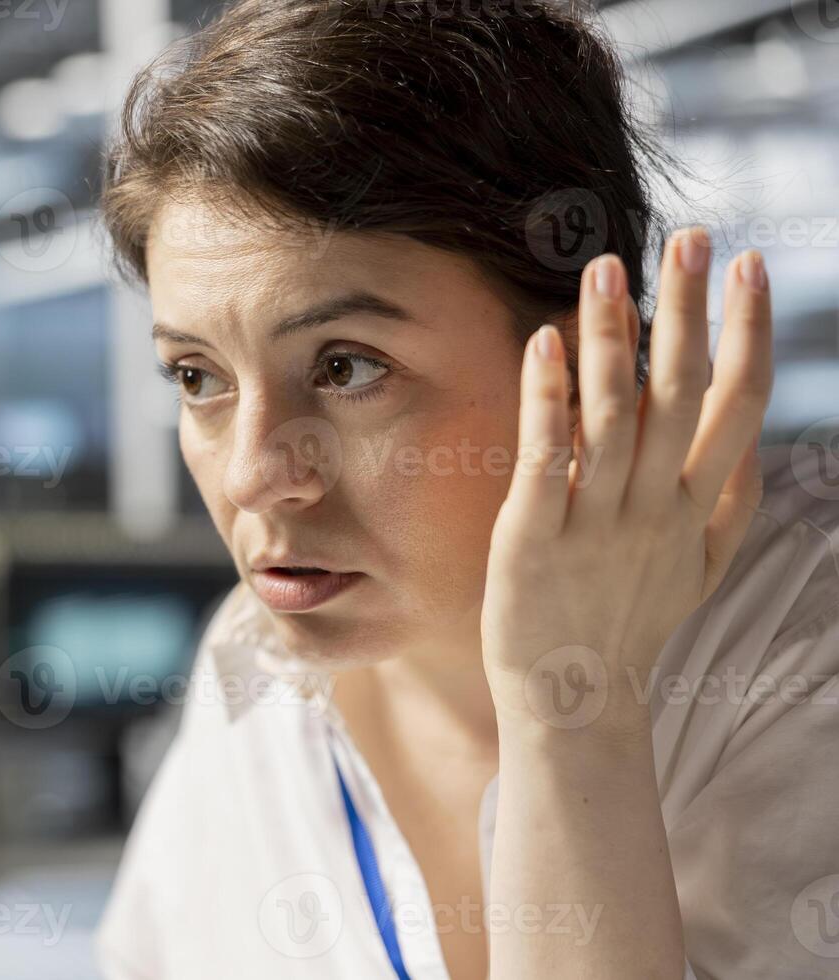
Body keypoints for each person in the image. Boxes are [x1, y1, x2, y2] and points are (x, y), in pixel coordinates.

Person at [94, 1, 839, 978]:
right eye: (197, 376)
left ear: (580, 368)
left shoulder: (800, 651)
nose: (251, 475)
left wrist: (570, 709)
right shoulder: (254, 664)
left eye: (348, 366)